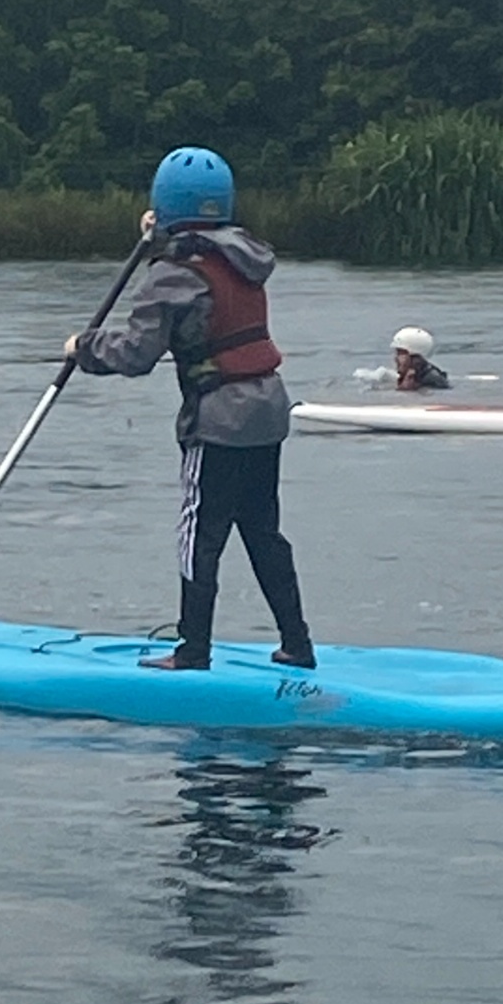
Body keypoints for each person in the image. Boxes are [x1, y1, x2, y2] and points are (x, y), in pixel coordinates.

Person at [63, 144, 314, 671]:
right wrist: (158, 238)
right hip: (268, 410)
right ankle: (297, 644)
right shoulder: (246, 254)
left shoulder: (171, 274)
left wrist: (83, 348)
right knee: (262, 530)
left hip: (219, 420)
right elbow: (198, 256)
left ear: (165, 203)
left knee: (199, 532)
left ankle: (192, 651)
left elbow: (136, 354)